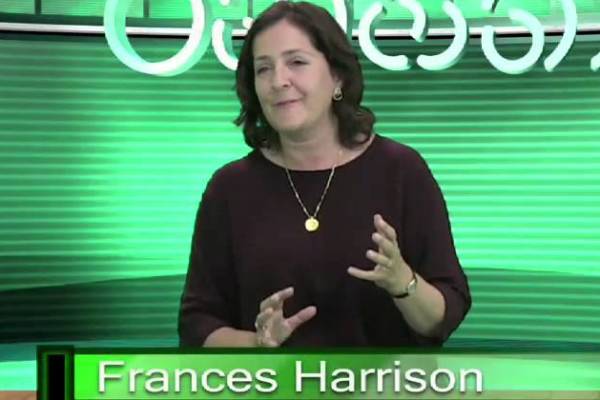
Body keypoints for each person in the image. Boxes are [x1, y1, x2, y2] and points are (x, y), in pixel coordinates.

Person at [178, 1, 471, 347]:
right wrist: (256, 344)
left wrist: (402, 281)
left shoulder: (401, 170)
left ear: (337, 77)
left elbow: (443, 317)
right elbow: (197, 324)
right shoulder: (230, 188)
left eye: (297, 62)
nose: (278, 81)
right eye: (263, 69)